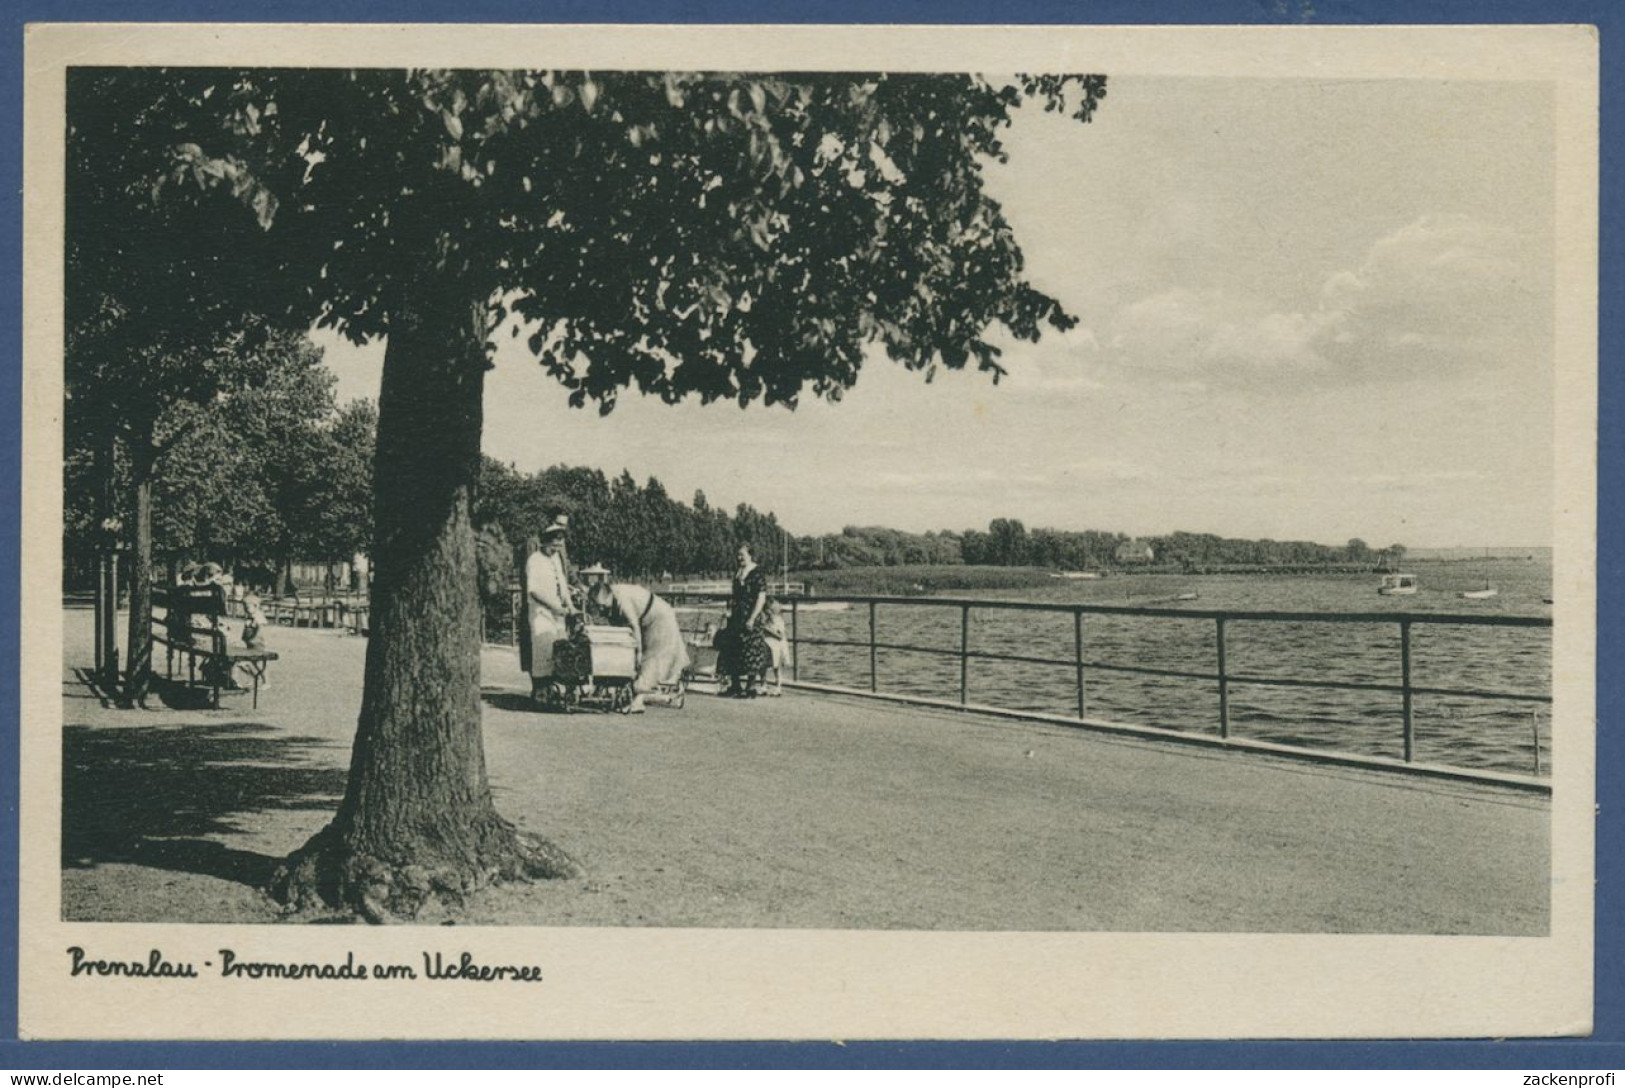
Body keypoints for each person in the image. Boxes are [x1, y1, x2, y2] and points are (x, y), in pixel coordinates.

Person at [587, 582, 691, 712]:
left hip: (659, 619)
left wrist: (638, 652)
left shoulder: (622, 599)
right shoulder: (611, 599)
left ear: (608, 597)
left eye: (602, 606)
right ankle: (639, 694)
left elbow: (633, 625)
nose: (601, 609)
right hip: (647, 619)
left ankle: (638, 701)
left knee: (650, 660)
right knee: (639, 661)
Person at [523, 518, 578, 707]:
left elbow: (563, 586)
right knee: (543, 649)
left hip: (559, 614)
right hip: (541, 613)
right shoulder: (534, 560)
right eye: (553, 543)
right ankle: (540, 694)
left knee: (560, 649)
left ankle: (557, 691)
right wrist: (553, 607)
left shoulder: (554, 559)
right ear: (545, 541)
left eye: (559, 543)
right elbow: (533, 591)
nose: (555, 548)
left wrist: (569, 605)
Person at [716, 543, 775, 697]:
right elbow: (734, 596)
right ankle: (735, 685)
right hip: (736, 617)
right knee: (732, 648)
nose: (739, 557)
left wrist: (752, 618)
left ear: (750, 555)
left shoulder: (757, 573)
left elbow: (761, 597)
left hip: (750, 616)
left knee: (751, 649)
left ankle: (750, 687)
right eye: (738, 554)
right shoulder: (738, 572)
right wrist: (729, 610)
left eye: (742, 554)